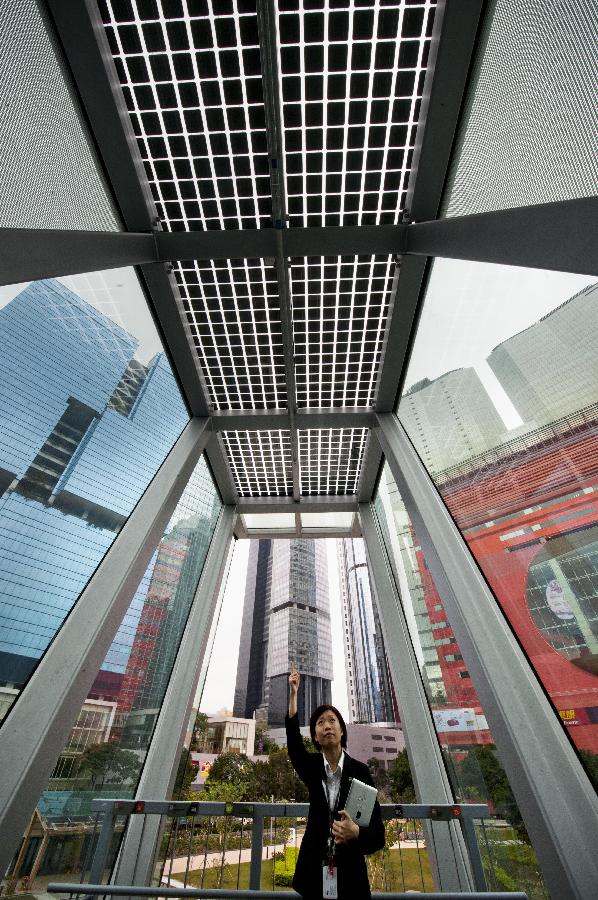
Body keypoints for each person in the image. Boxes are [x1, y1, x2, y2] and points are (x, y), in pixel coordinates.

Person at [285, 663, 385, 899]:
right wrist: (293, 695)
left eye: (332, 720)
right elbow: (293, 744)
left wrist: (356, 833)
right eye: (320, 723)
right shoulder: (310, 767)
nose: (327, 725)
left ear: (342, 731)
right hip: (313, 876)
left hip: (351, 876)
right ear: (315, 737)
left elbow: (378, 835)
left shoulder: (360, 772)